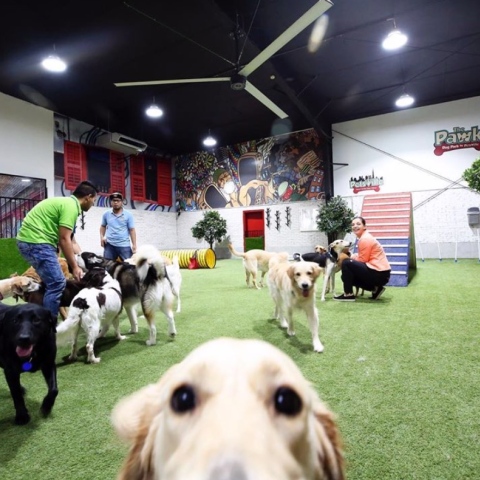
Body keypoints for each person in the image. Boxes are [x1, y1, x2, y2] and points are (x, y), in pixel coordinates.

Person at [16, 180, 98, 317]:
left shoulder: (66, 204)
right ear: (87, 197)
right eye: (94, 200)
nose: (93, 204)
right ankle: (48, 326)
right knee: (57, 284)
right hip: (36, 243)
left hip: (33, 242)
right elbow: (64, 239)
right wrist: (75, 267)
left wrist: (78, 261)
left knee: (50, 283)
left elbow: (70, 240)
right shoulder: (71, 207)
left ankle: (37, 318)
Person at [334, 216, 391, 302]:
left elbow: (363, 260)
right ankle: (376, 288)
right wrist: (352, 256)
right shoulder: (365, 237)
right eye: (353, 224)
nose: (355, 226)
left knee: (346, 262)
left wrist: (350, 257)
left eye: (358, 224)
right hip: (382, 274)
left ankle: (348, 294)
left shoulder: (365, 239)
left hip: (379, 273)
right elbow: (363, 257)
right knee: (345, 277)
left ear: (364, 226)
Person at [100, 192, 136, 261]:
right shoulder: (106, 214)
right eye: (114, 200)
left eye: (118, 201)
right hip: (109, 245)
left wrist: (134, 245)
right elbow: (103, 226)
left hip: (124, 245)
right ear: (111, 202)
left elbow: (132, 230)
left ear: (122, 202)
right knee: (107, 266)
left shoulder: (128, 215)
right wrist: (102, 237)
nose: (116, 202)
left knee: (129, 266)